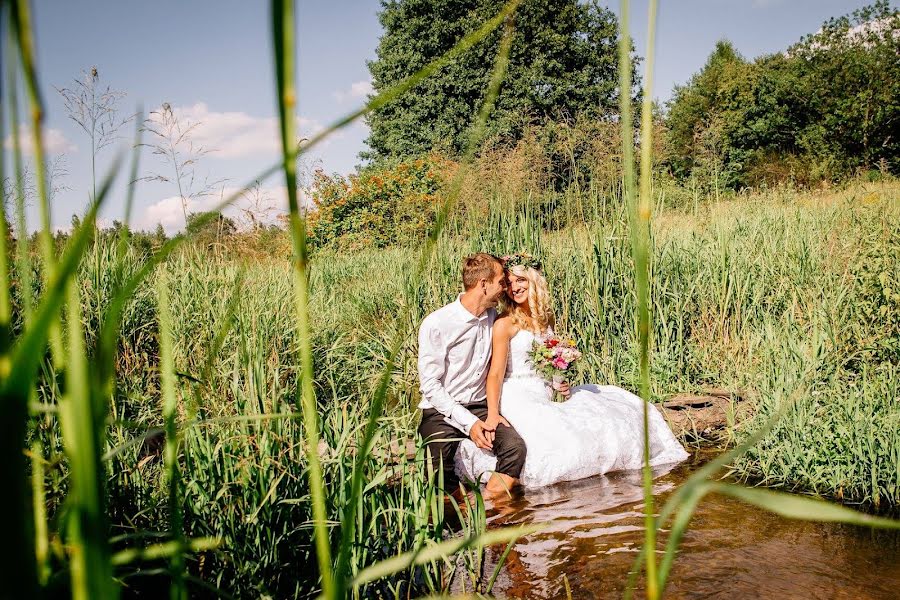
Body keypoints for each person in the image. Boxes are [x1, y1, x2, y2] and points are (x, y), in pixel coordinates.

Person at [455, 253, 688, 488]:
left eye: (521, 280)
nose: (514, 288)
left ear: (533, 280)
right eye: (510, 282)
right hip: (517, 393)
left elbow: (546, 363)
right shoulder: (505, 324)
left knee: (605, 419)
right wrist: (493, 414)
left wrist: (558, 381)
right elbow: (494, 374)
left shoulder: (547, 320)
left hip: (543, 391)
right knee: (558, 440)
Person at [417, 253, 528, 499]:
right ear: (483, 284)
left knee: (514, 448)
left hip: (480, 404)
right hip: (442, 410)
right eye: (501, 282)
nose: (505, 288)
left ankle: (490, 509)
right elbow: (430, 386)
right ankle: (459, 513)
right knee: (436, 466)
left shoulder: (493, 318)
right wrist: (470, 424)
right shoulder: (437, 323)